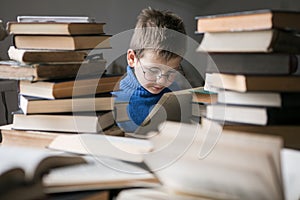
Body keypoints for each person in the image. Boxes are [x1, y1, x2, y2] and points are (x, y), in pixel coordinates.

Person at [113, 7, 187, 133]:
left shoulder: (175, 92)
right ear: (132, 59)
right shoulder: (114, 101)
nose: (162, 81)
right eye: (153, 71)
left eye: (171, 72)